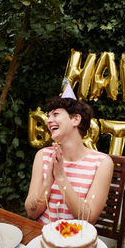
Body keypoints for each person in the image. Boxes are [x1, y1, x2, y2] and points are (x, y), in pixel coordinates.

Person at [25, 83, 114, 225]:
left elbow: (89, 218)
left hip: (75, 241)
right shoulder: (43, 156)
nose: (48, 120)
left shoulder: (102, 163)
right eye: (48, 116)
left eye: (55, 114)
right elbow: (31, 212)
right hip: (41, 237)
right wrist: (48, 182)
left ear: (75, 119)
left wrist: (61, 178)